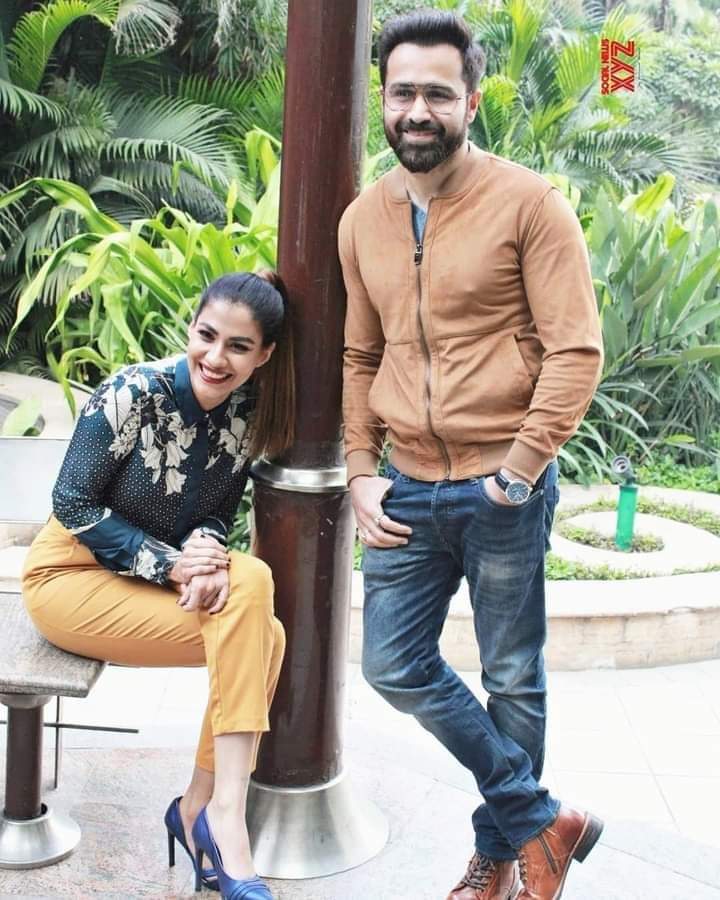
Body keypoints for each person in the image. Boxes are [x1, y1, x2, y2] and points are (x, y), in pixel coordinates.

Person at [339, 10, 605, 900]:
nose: (417, 110)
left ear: (471, 101)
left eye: (437, 93)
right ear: (383, 98)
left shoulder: (530, 204)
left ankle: (500, 861)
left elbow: (576, 350)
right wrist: (361, 470)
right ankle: (540, 820)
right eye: (402, 92)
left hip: (503, 485)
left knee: (512, 678)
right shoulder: (363, 219)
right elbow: (360, 355)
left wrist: (520, 471)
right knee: (390, 664)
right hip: (406, 484)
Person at [22, 272, 294, 900]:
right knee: (261, 622)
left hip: (146, 583)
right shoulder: (132, 394)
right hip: (70, 579)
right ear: (191, 328)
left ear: (264, 356)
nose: (216, 357)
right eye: (207, 336)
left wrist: (205, 551)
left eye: (238, 347)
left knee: (260, 618)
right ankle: (218, 820)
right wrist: (171, 566)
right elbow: (72, 502)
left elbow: (214, 511)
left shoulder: (246, 415)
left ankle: (207, 809)